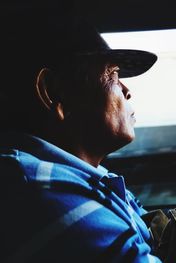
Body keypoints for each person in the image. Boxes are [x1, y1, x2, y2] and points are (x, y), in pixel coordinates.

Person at [0, 13, 161, 262]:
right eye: (113, 75)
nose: (127, 91)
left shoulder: (86, 179)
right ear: (54, 92)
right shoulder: (41, 192)